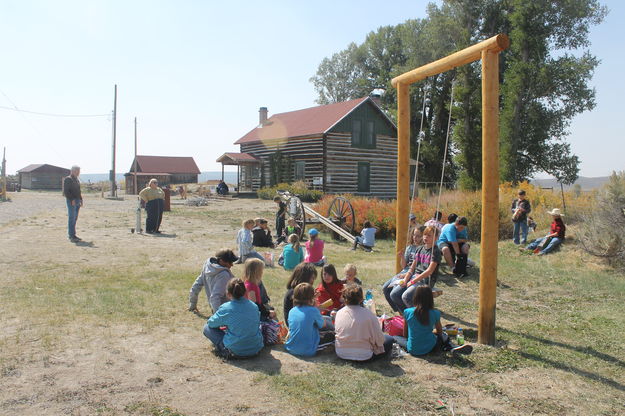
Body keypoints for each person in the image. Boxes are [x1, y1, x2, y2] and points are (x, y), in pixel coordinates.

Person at [394, 286, 472, 356]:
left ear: (416, 297)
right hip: (431, 347)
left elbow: (405, 334)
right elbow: (440, 332)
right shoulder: (435, 313)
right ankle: (450, 347)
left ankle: (449, 348)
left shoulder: (407, 311)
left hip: (412, 349)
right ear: (430, 299)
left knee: (395, 337)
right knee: (444, 336)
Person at [203, 278, 264, 358]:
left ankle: (225, 350)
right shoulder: (254, 306)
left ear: (228, 294)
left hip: (235, 351)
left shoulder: (226, 308)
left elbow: (211, 323)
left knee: (206, 328)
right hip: (255, 349)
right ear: (245, 292)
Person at [387, 226, 442, 312]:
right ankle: (407, 316)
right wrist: (405, 280)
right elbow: (412, 268)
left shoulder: (435, 251)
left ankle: (420, 316)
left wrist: (413, 281)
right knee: (394, 294)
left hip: (425, 280)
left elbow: (429, 271)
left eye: (429, 235)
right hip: (414, 277)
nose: (425, 237)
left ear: (436, 238)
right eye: (424, 235)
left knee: (406, 296)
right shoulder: (419, 249)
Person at [334, 284, 395, 361]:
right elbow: (380, 339)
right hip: (364, 355)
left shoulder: (339, 313)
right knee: (389, 339)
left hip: (341, 352)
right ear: (361, 299)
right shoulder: (369, 314)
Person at [382, 226, 424, 313]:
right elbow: (404, 266)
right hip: (405, 272)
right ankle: (399, 310)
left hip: (413, 274)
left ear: (423, 237)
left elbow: (419, 268)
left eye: (418, 236)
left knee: (394, 294)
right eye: (414, 235)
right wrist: (402, 257)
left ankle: (407, 313)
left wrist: (406, 276)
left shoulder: (423, 249)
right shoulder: (410, 247)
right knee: (385, 288)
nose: (415, 238)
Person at [285, 283, 329, 357]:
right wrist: (318, 311)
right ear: (312, 298)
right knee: (330, 335)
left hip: (290, 347)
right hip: (308, 350)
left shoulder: (292, 311)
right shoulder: (313, 310)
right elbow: (323, 325)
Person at [188, 249, 238, 314]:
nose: (232, 265)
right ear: (221, 261)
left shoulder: (207, 266)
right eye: (230, 262)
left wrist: (192, 305)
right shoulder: (224, 275)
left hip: (215, 307)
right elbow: (215, 297)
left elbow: (195, 287)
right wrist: (218, 316)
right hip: (226, 310)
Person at [63, 165, 83, 242]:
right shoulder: (68, 179)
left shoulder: (76, 179)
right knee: (72, 218)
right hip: (72, 201)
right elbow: (66, 192)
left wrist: (81, 199)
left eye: (79, 171)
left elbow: (78, 190)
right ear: (72, 171)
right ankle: (71, 235)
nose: (78, 173)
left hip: (77, 200)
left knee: (75, 218)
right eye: (77, 171)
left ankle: (73, 234)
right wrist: (72, 199)